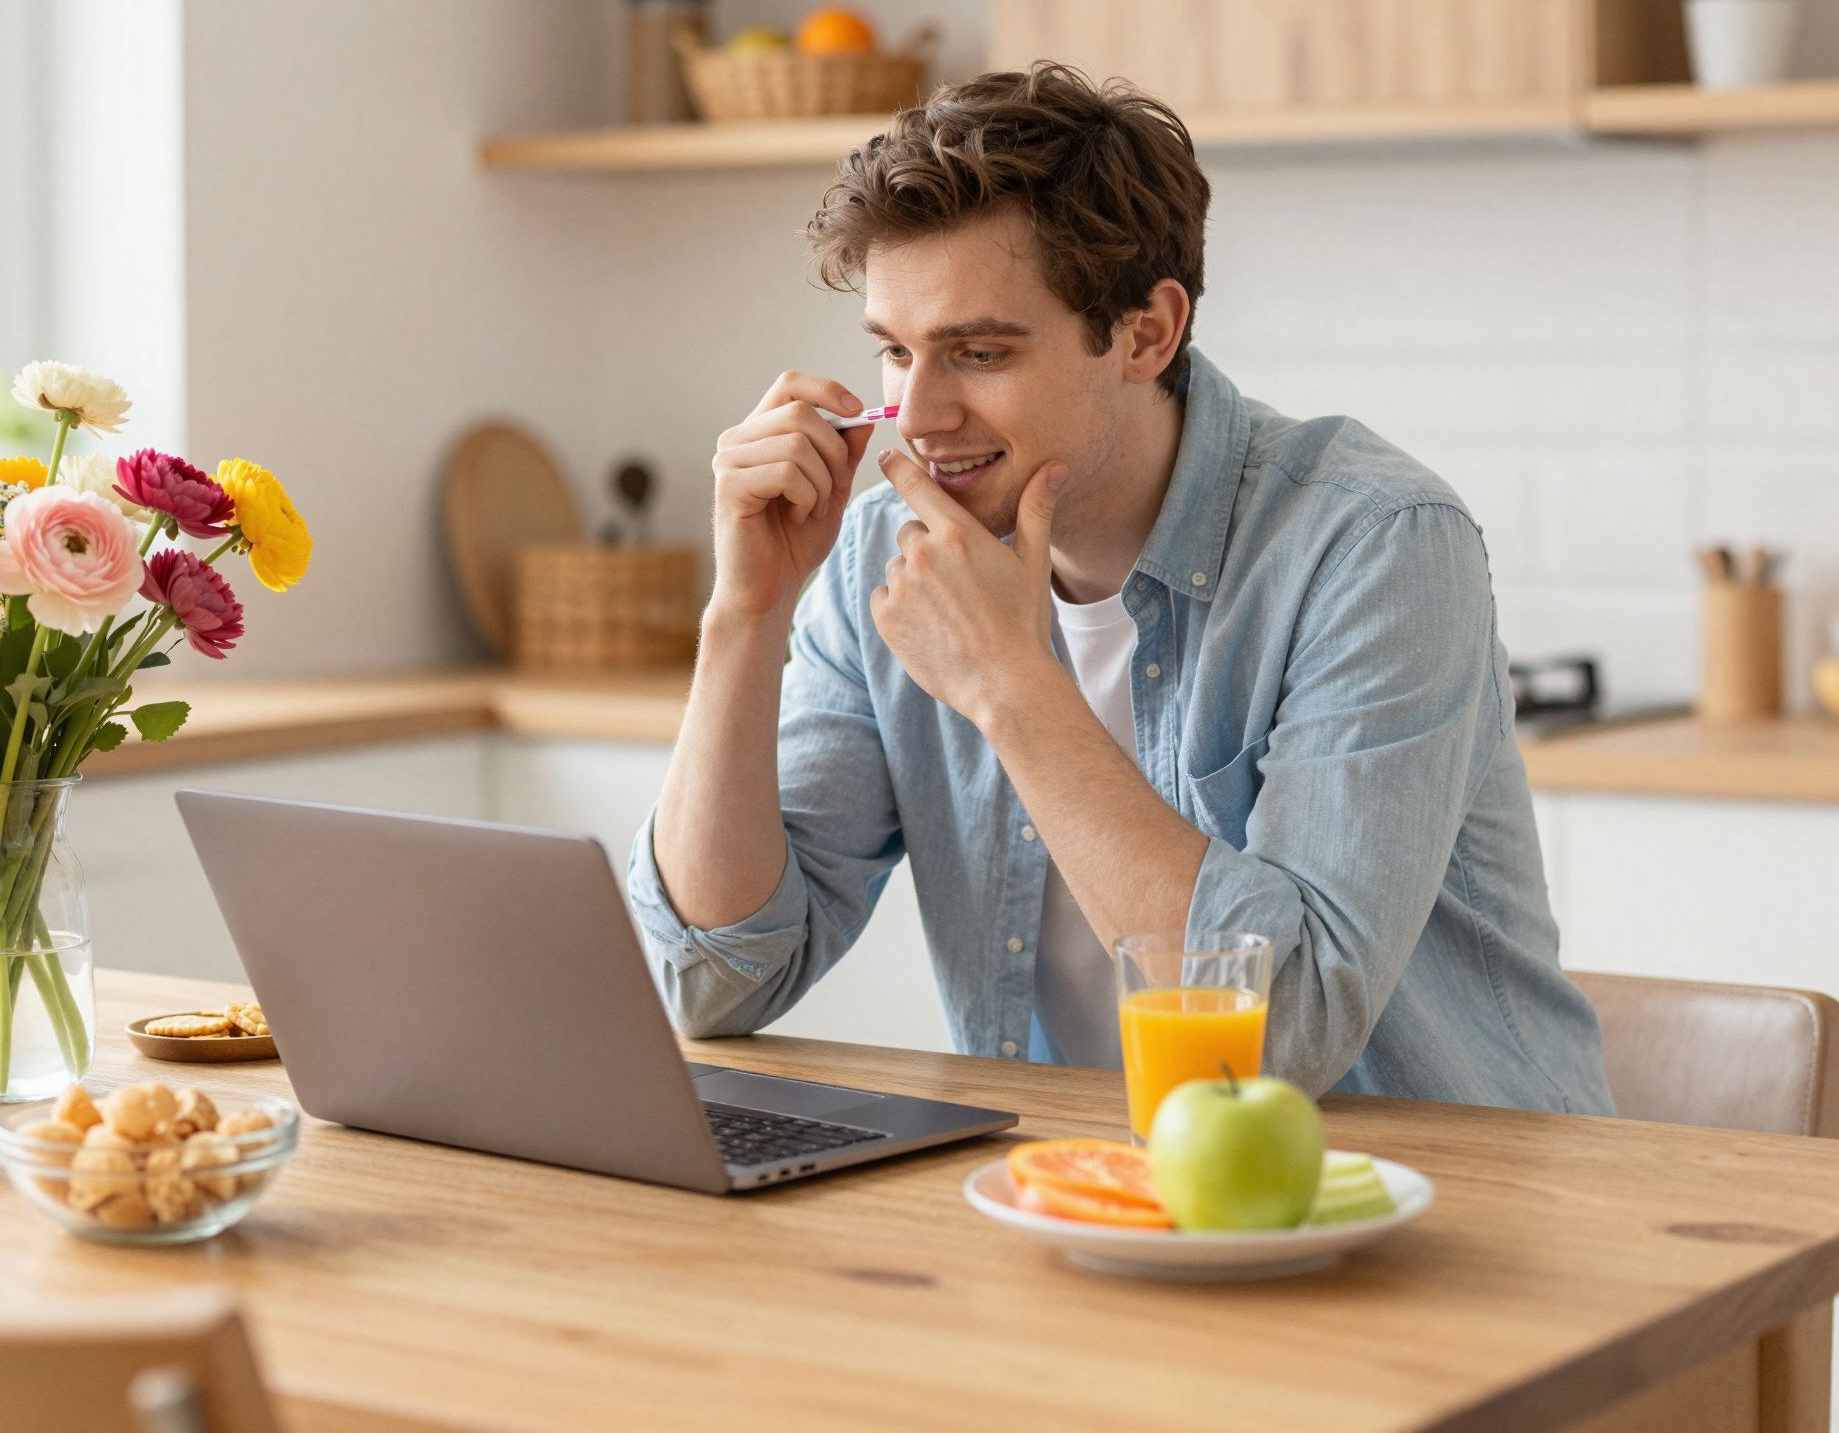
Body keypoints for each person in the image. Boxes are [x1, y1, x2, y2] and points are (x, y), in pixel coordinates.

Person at [625, 62, 1612, 1112]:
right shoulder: (887, 556)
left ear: (1146, 332)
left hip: (1438, 1209)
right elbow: (714, 981)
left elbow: (1281, 1031)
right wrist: (745, 613)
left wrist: (1011, 686)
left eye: (977, 352)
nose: (914, 416)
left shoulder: (1372, 544)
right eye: (895, 354)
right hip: (1078, 1198)